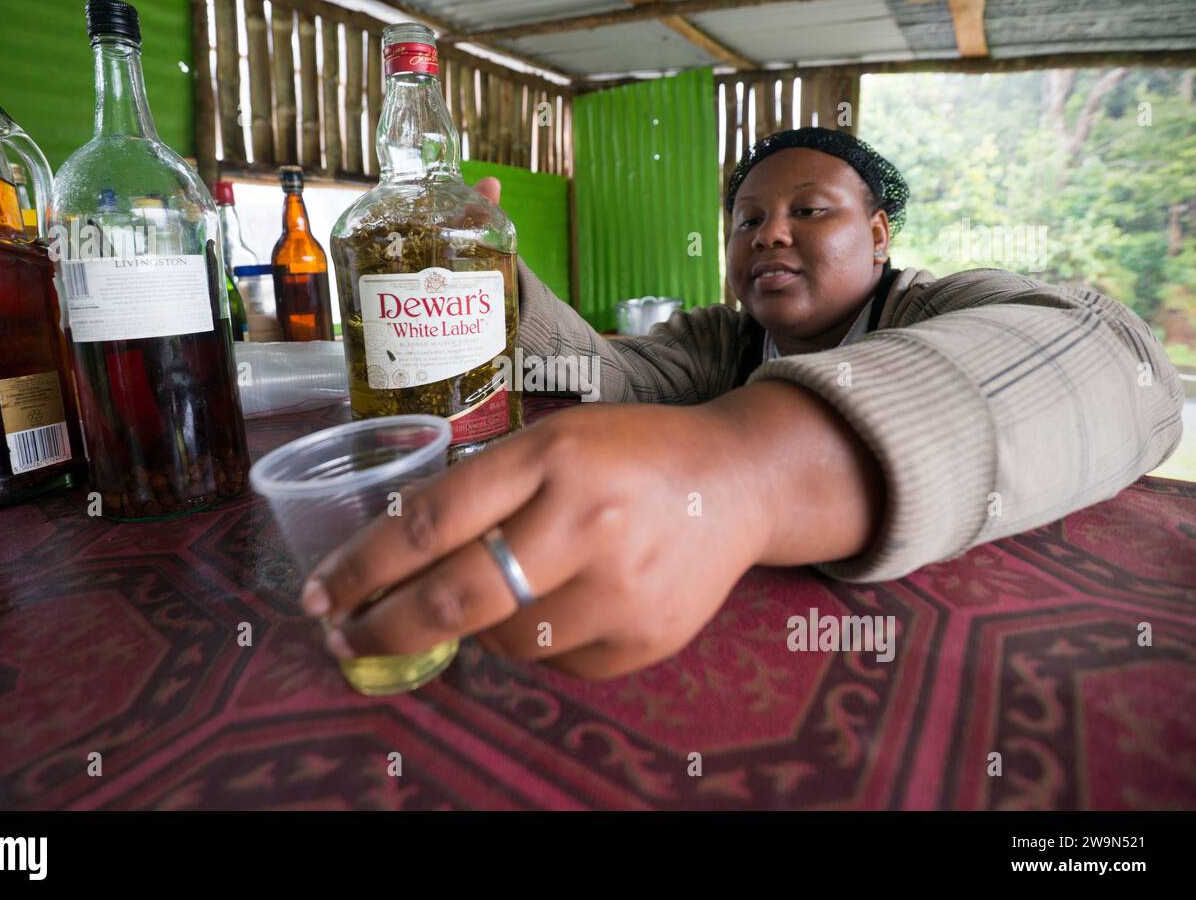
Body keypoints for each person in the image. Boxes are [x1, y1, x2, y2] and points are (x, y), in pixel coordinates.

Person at [301, 127, 1184, 681]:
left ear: (878, 236)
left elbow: (1127, 360)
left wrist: (750, 469)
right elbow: (601, 380)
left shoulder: (946, 305)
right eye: (747, 219)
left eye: (811, 210)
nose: (770, 232)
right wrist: (491, 277)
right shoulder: (722, 341)